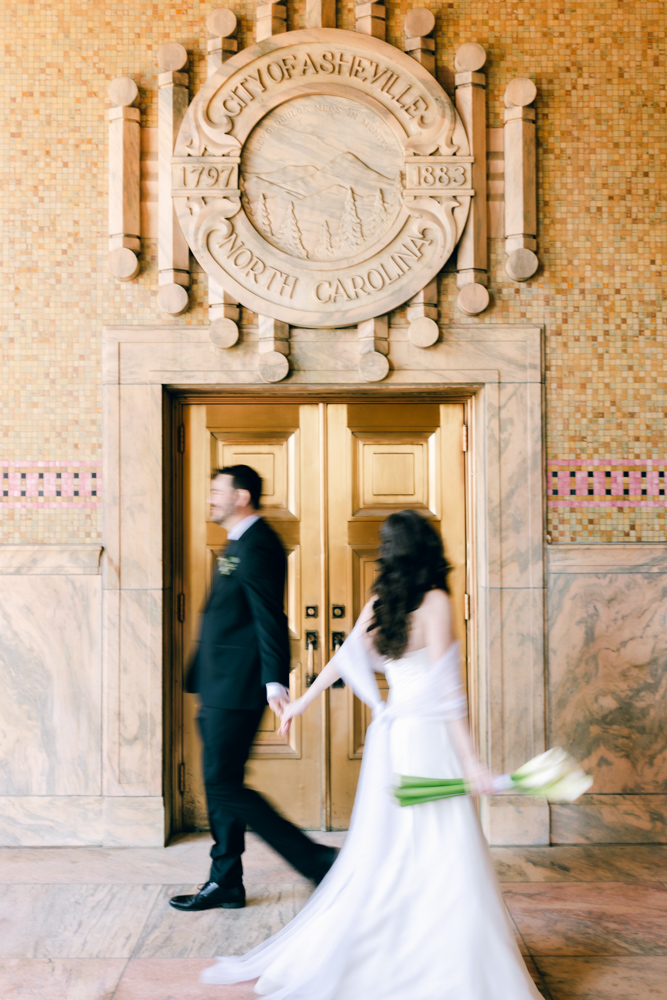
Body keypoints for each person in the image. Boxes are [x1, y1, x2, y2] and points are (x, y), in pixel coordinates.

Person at [200, 509, 543, 1000]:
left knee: (389, 849)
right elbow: (449, 692)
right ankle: (439, 958)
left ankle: (386, 946)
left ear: (390, 554)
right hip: (427, 740)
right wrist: (471, 763)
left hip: (392, 739)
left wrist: (300, 701)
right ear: (429, 548)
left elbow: (343, 658)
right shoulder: (437, 601)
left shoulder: (382, 602)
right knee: (441, 848)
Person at [170, 465, 337, 913]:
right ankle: (225, 882)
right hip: (218, 683)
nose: (210, 498)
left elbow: (269, 617)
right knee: (221, 784)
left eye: (216, 491)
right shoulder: (238, 541)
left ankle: (316, 861)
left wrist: (274, 680)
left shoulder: (260, 544)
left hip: (238, 687)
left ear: (241, 496)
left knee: (223, 787)